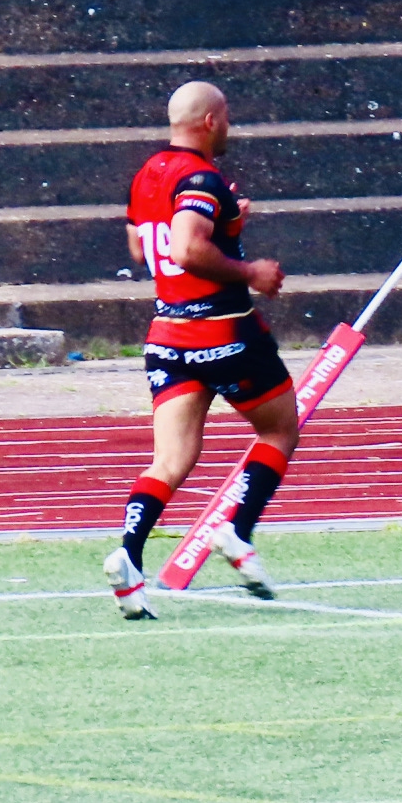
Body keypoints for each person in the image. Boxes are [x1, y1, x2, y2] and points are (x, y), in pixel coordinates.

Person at [103, 80, 296, 619]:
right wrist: (250, 271)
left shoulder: (147, 173)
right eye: (226, 115)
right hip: (223, 332)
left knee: (171, 460)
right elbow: (188, 248)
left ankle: (128, 557)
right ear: (210, 121)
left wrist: (228, 225)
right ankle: (237, 531)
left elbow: (142, 248)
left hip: (167, 336)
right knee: (279, 428)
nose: (229, 125)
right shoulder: (201, 177)